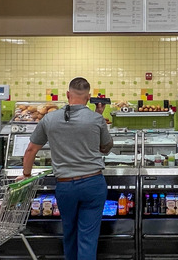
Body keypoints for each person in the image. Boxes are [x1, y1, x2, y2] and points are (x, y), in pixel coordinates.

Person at [21, 77, 112, 260]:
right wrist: (99, 114)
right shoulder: (96, 118)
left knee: (69, 233)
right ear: (88, 97)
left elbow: (31, 149)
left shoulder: (50, 119)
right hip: (93, 184)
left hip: (65, 186)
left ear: (67, 95)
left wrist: (26, 175)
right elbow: (106, 148)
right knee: (88, 237)